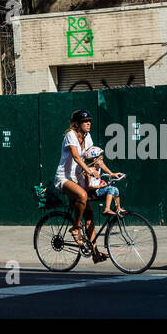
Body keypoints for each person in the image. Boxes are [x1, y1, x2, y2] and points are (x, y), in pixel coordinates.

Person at [53, 110, 106, 263]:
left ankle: (95, 253)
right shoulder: (70, 135)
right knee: (83, 196)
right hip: (64, 179)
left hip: (77, 180)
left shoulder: (87, 137)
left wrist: (110, 172)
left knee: (89, 218)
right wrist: (88, 170)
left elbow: (94, 157)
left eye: (89, 120)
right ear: (77, 124)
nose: (88, 123)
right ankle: (76, 228)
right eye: (85, 121)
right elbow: (76, 157)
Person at [82, 145, 127, 217]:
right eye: (101, 159)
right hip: (92, 193)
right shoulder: (88, 172)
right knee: (111, 189)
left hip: (97, 190)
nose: (102, 161)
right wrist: (99, 186)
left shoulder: (97, 168)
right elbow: (87, 187)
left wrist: (111, 175)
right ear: (95, 160)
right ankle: (107, 209)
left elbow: (102, 167)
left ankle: (118, 208)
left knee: (115, 189)